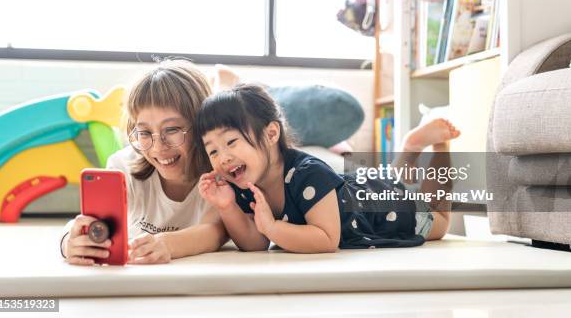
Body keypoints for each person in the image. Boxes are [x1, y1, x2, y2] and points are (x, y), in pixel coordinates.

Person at [195, 83, 460, 253]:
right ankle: (409, 148)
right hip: (359, 190)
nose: (224, 157)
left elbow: (326, 238)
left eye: (231, 142)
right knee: (390, 180)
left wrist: (273, 228)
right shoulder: (242, 182)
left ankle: (439, 148)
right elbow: (255, 244)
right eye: (213, 150)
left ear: (271, 134)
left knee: (438, 220)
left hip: (384, 211)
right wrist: (228, 207)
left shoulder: (308, 174)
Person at [60, 59, 228, 265]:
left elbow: (215, 231)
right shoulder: (122, 167)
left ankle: (225, 81)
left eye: (172, 130)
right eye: (145, 132)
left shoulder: (219, 171)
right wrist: (68, 242)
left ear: (200, 126)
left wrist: (167, 244)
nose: (158, 147)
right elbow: (88, 223)